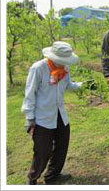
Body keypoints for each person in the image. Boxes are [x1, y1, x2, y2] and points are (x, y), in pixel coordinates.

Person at [22, 41, 83, 185]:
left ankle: (53, 175)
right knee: (43, 151)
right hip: (42, 117)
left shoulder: (64, 69)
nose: (64, 64)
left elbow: (68, 85)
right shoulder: (38, 69)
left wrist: (83, 85)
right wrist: (29, 119)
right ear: (53, 57)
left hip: (59, 114)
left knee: (62, 145)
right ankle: (33, 178)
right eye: (61, 61)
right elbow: (29, 94)